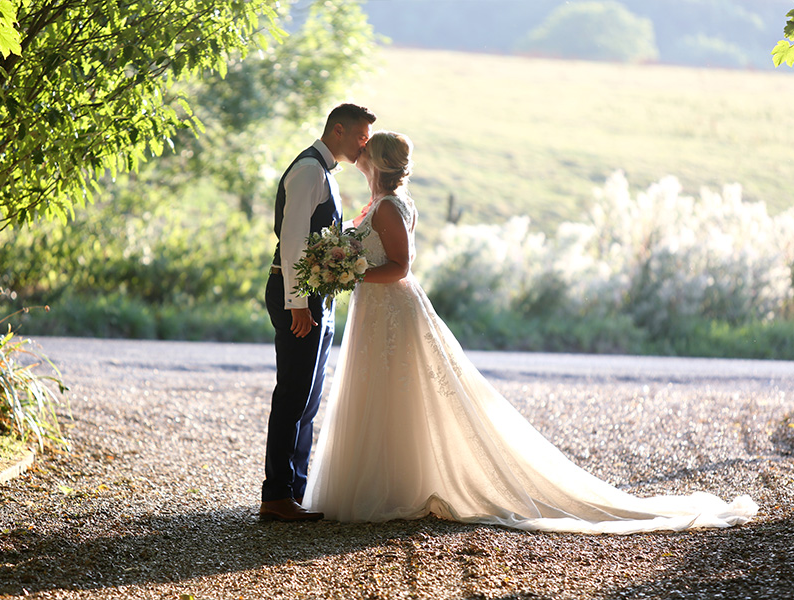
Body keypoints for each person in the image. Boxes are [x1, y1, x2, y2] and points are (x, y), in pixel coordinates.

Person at [303, 131, 759, 534]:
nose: (357, 153)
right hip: (376, 311)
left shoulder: (387, 208)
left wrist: (352, 275)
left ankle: (394, 489)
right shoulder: (381, 203)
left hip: (391, 310)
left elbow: (400, 267)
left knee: (398, 389)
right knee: (385, 393)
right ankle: (389, 483)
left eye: (365, 150)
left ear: (374, 163)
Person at [261, 103, 376, 522]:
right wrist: (297, 303)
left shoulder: (325, 171)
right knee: (293, 393)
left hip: (315, 295)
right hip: (300, 295)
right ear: (338, 130)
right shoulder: (310, 169)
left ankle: (295, 490)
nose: (364, 145)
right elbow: (292, 241)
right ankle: (275, 495)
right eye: (360, 136)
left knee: (308, 399)